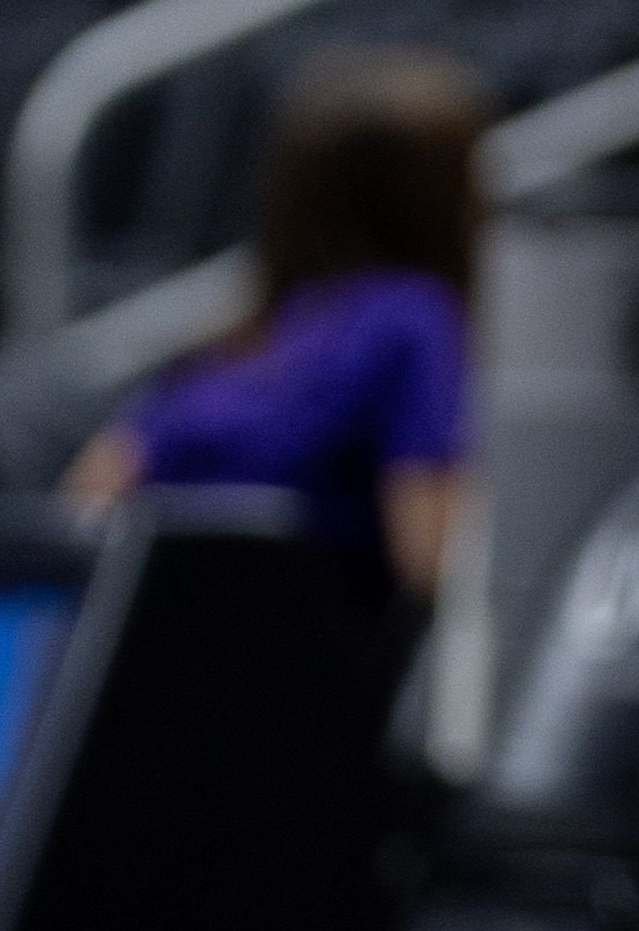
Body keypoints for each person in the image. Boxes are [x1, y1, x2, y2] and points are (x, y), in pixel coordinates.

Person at [66, 48, 486, 610]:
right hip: (300, 650)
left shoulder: (235, 336)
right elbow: (426, 554)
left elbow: (87, 497)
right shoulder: (417, 317)